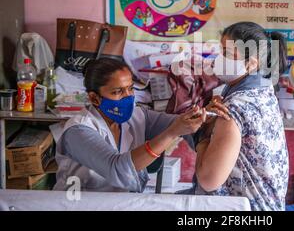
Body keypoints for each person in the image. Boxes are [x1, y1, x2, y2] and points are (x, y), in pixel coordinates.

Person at [53, 58, 229, 192]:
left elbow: (181, 124)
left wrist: (204, 115)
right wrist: (171, 133)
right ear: (94, 98)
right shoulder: (78, 131)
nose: (128, 97)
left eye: (130, 88)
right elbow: (117, 169)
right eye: (117, 92)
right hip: (80, 202)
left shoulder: (137, 116)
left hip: (119, 201)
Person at [194, 22, 290, 210]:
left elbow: (208, 180)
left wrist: (203, 136)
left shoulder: (234, 108)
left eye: (228, 54)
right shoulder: (264, 89)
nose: (218, 59)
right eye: (221, 51)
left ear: (252, 63)